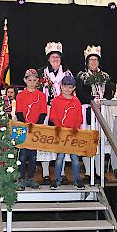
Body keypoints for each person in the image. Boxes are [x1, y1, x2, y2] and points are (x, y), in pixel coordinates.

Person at [37, 42, 72, 183]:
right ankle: (45, 173)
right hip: (45, 109)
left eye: (58, 56)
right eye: (53, 56)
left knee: (61, 141)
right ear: (48, 58)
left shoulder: (67, 72)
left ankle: (62, 172)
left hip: (62, 110)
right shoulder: (41, 73)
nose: (55, 59)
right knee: (45, 141)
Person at [76, 45, 114, 177]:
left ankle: (99, 171)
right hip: (88, 109)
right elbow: (80, 93)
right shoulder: (82, 76)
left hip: (103, 110)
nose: (93, 62)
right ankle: (88, 171)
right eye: (91, 60)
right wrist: (92, 100)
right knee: (87, 140)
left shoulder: (105, 75)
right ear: (87, 62)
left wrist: (102, 100)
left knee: (100, 141)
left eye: (95, 60)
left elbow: (109, 92)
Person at [49, 75, 84, 190]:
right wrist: (59, 128)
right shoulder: (56, 100)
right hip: (61, 133)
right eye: (65, 86)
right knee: (60, 158)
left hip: (73, 133)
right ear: (61, 87)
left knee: (75, 157)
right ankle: (57, 179)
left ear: (73, 88)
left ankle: (77, 179)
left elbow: (79, 118)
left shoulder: (76, 101)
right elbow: (53, 116)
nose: (67, 89)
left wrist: (75, 129)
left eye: (70, 87)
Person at [15, 69, 47, 190]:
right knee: (22, 155)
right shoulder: (20, 95)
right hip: (22, 128)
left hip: (35, 128)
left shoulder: (41, 96)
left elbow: (43, 112)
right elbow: (18, 112)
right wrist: (25, 125)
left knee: (33, 155)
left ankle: (31, 178)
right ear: (25, 80)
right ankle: (20, 179)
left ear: (38, 81)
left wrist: (35, 126)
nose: (32, 83)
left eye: (34, 80)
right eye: (29, 80)